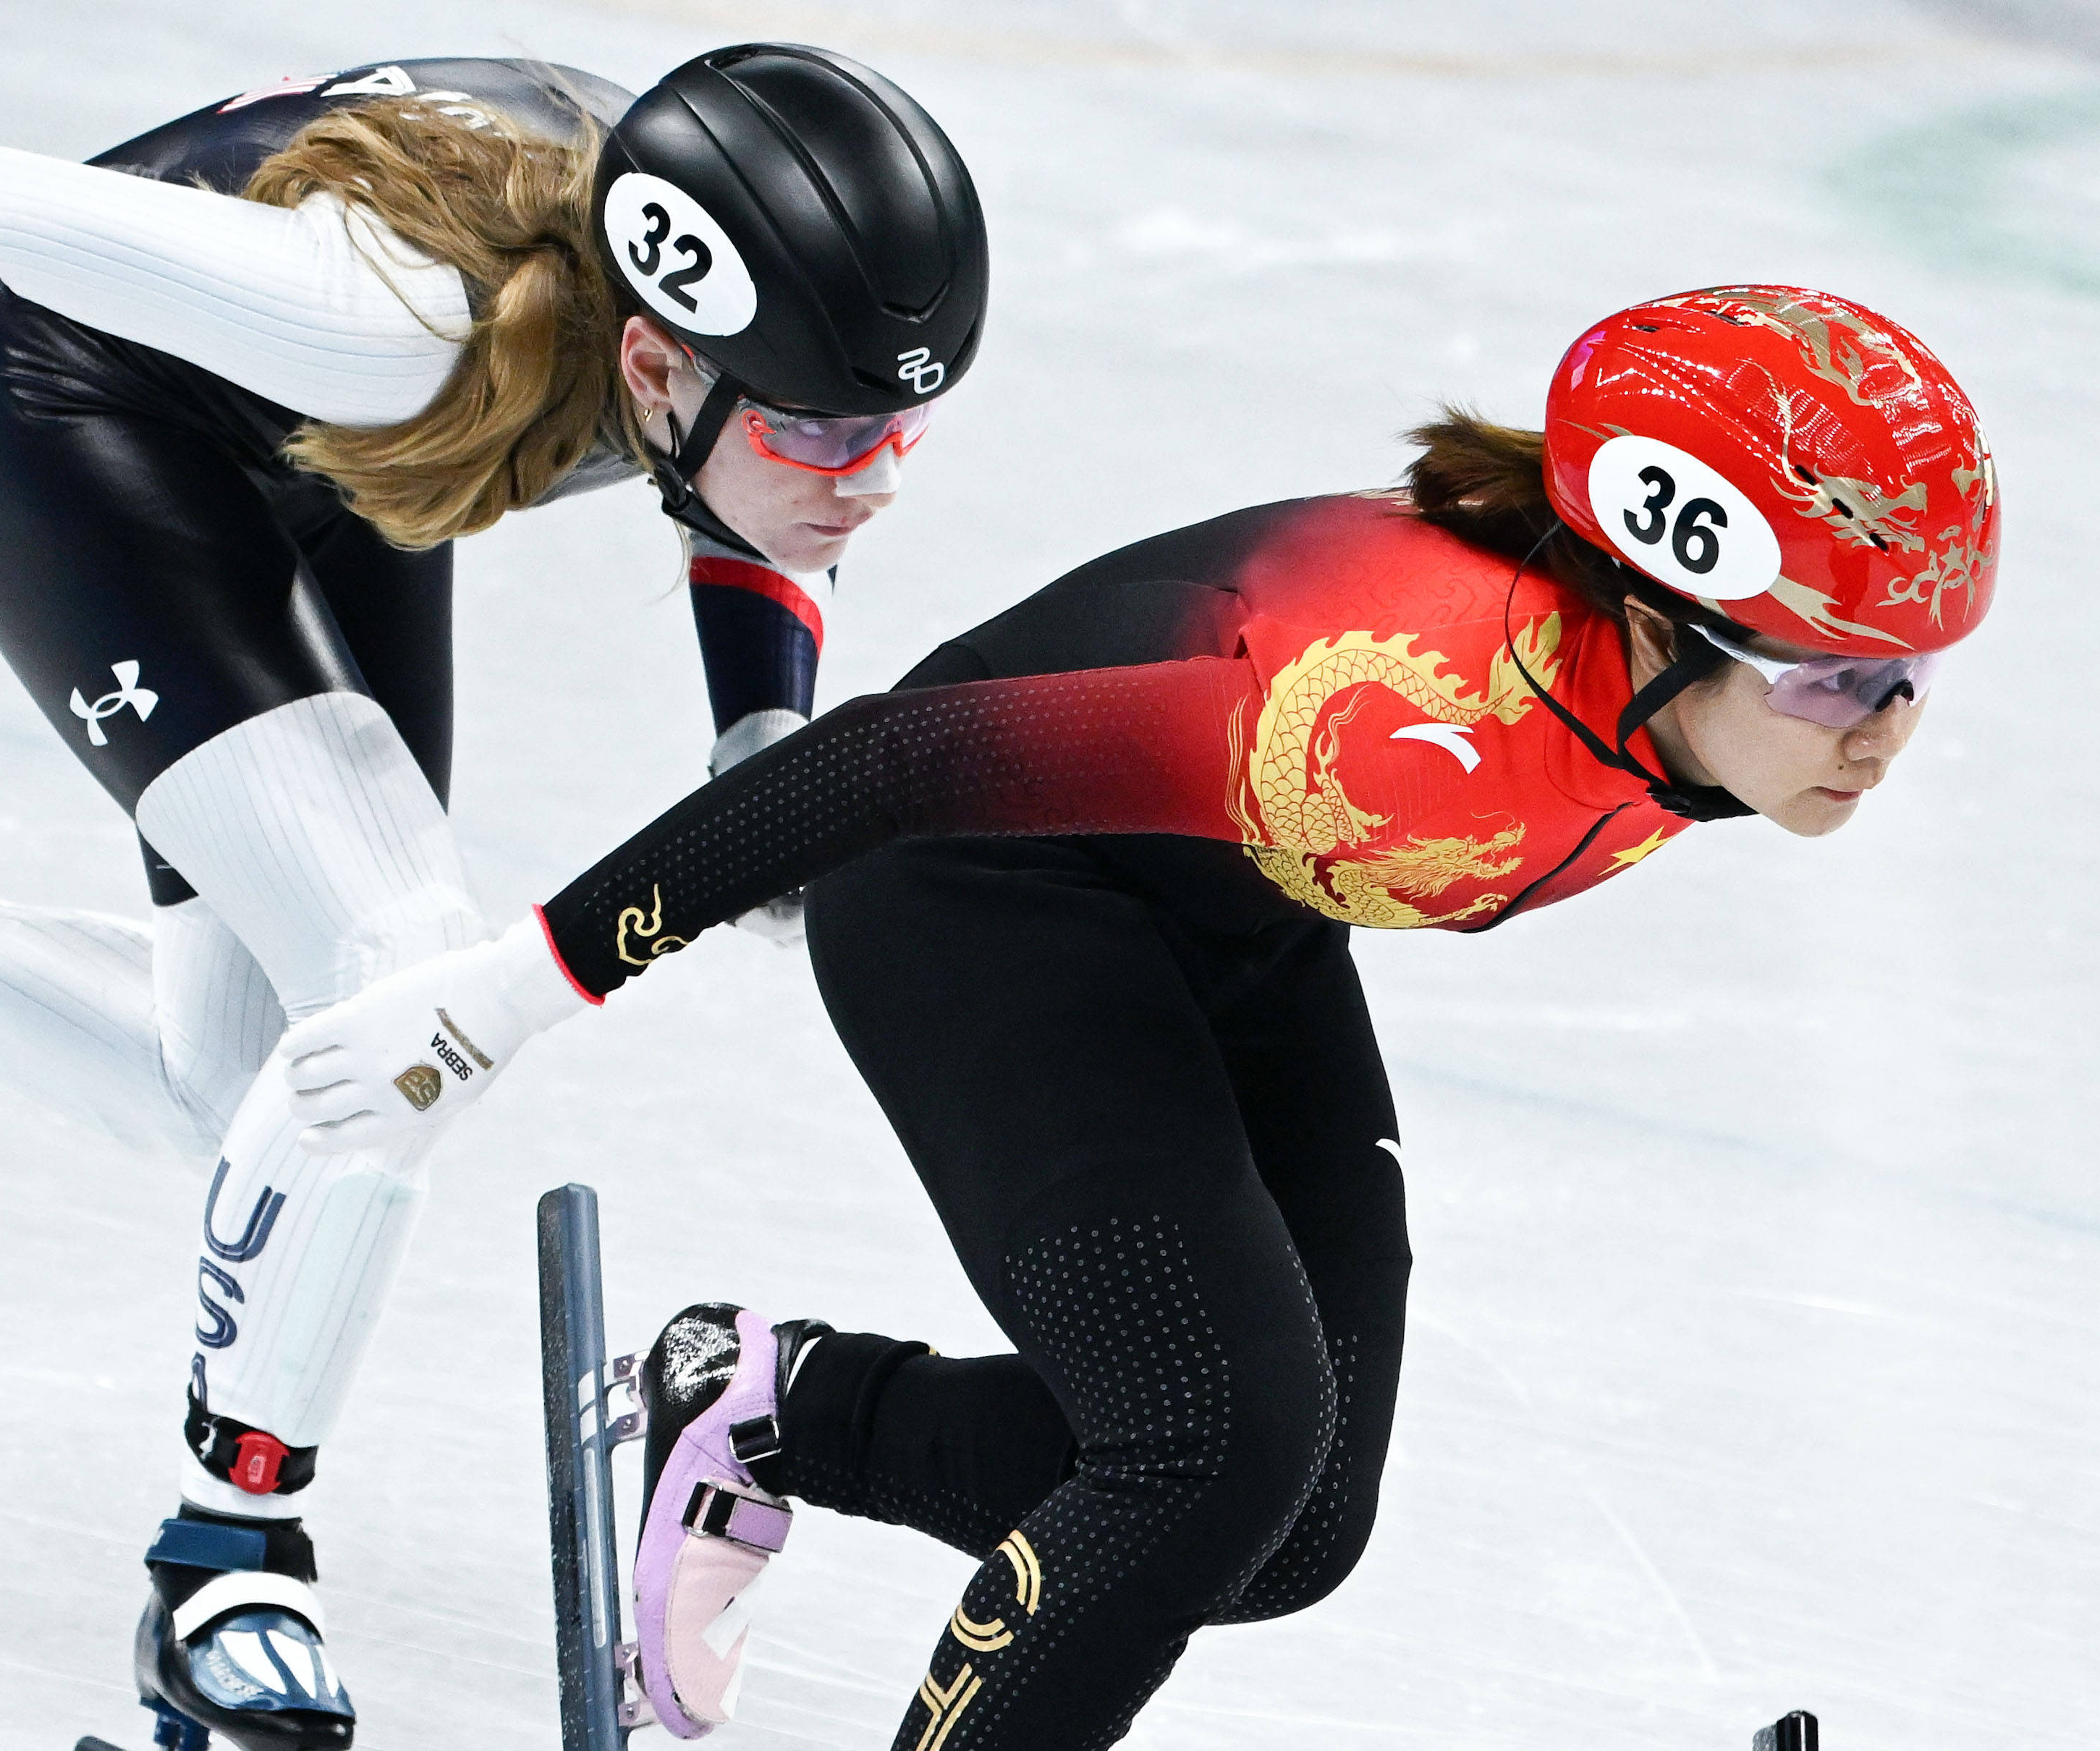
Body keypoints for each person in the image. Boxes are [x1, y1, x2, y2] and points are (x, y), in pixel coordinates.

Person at [269, 286, 1997, 1750]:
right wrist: (494, 1003)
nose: (1882, 730)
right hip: (976, 900)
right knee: (1211, 1445)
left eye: (1911, 677)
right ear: (1653, 608)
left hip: (1228, 918)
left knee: (1290, 1522)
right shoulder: (1395, 709)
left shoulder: (1643, 706)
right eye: (1836, 678)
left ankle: (770, 1406)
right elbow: (876, 764)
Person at [0, 46, 986, 1751]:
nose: (872, 477)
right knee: (401, 985)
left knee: (253, 1083)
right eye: (827, 427)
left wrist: (757, 742)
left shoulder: (691, 328)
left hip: (332, 462)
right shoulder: (404, 314)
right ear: (655, 362)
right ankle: (227, 1561)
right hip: (83, 424)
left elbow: (753, 516)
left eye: (904, 427)